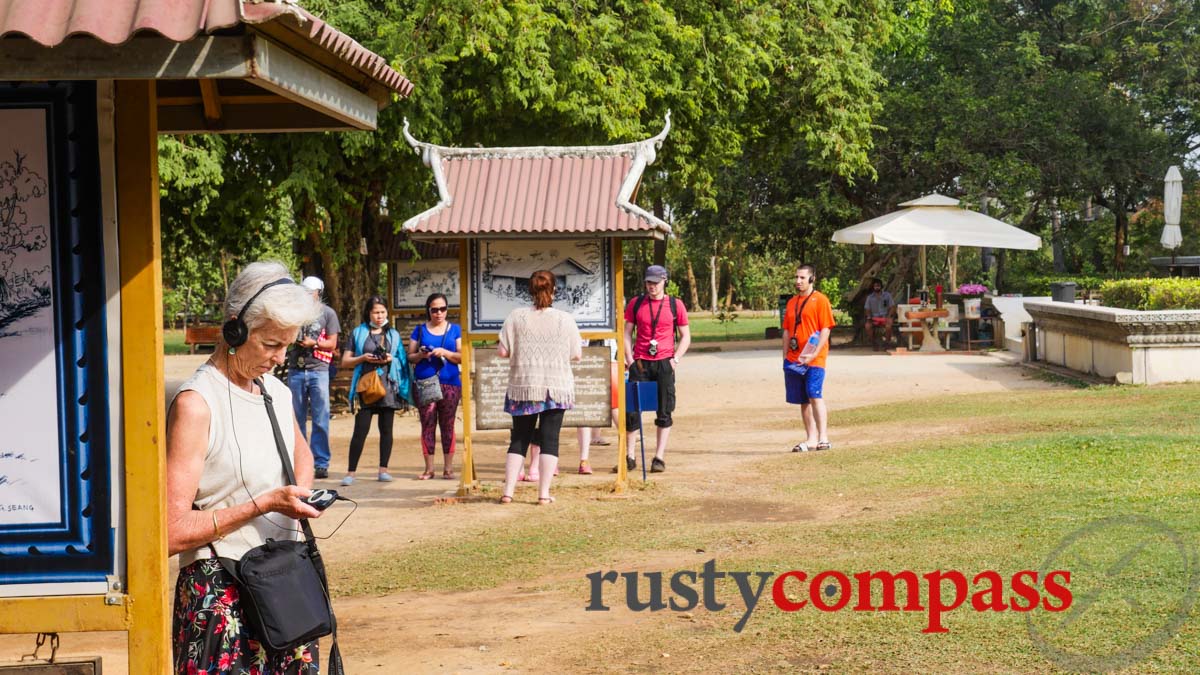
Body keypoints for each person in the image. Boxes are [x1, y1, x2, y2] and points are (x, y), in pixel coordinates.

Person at [166, 261, 326, 673]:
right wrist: (264, 503)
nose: (279, 358)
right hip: (221, 598)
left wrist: (299, 496)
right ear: (235, 329)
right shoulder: (196, 404)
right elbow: (170, 531)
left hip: (282, 591)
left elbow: (301, 455)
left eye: (287, 345)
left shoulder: (275, 391)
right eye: (271, 344)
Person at [497, 270, 582, 505]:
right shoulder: (565, 319)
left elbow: (502, 351)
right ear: (554, 290)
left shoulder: (516, 317)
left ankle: (508, 492)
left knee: (519, 439)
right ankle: (543, 494)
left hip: (523, 385)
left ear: (530, 291)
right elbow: (576, 354)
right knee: (550, 439)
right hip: (556, 387)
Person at [621, 264, 690, 473]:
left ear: (664, 281)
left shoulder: (675, 305)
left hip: (664, 362)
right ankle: (630, 456)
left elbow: (686, 335)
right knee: (632, 410)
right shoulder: (636, 304)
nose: (651, 286)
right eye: (648, 282)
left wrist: (675, 359)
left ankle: (659, 457)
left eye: (655, 282)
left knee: (664, 409)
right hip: (640, 362)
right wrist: (630, 359)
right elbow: (626, 333)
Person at [340, 295, 410, 486]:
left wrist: (390, 359)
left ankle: (383, 470)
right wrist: (363, 358)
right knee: (360, 430)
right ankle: (351, 472)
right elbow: (345, 361)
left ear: (387, 312)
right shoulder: (358, 332)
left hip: (388, 386)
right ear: (368, 313)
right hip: (366, 387)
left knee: (386, 430)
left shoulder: (393, 335)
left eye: (382, 312)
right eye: (375, 312)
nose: (379, 316)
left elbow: (401, 361)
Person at [288, 276, 340, 479]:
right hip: (296, 368)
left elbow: (333, 343)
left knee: (320, 418)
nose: (307, 296)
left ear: (319, 292)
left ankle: (321, 462)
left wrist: (314, 344)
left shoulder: (328, 313)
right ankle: (298, 461)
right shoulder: (294, 313)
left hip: (319, 369)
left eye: (310, 292)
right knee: (296, 419)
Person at [407, 292, 462, 480]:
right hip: (425, 382)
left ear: (447, 310)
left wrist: (445, 352)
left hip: (450, 382)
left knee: (448, 424)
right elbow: (410, 356)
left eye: (442, 309)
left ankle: (448, 468)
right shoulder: (420, 330)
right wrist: (422, 355)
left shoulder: (455, 330)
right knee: (427, 424)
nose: (439, 313)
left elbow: (462, 356)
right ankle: (429, 468)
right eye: (434, 309)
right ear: (428, 310)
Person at [783, 264, 836, 453]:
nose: (798, 281)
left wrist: (814, 354)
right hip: (794, 359)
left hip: (814, 359)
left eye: (802, 278)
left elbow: (825, 330)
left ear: (812, 279)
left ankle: (823, 438)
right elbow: (787, 331)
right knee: (802, 400)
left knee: (814, 394)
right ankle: (811, 438)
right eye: (796, 277)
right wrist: (785, 358)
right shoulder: (791, 303)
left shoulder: (821, 300)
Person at [863, 277, 895, 350]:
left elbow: (892, 307)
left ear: (881, 286)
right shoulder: (870, 297)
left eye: (878, 286)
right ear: (873, 287)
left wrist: (889, 316)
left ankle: (887, 343)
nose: (877, 287)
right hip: (874, 317)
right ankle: (874, 343)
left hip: (885, 317)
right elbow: (867, 309)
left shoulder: (887, 295)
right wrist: (869, 317)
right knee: (867, 326)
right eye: (875, 286)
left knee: (888, 325)